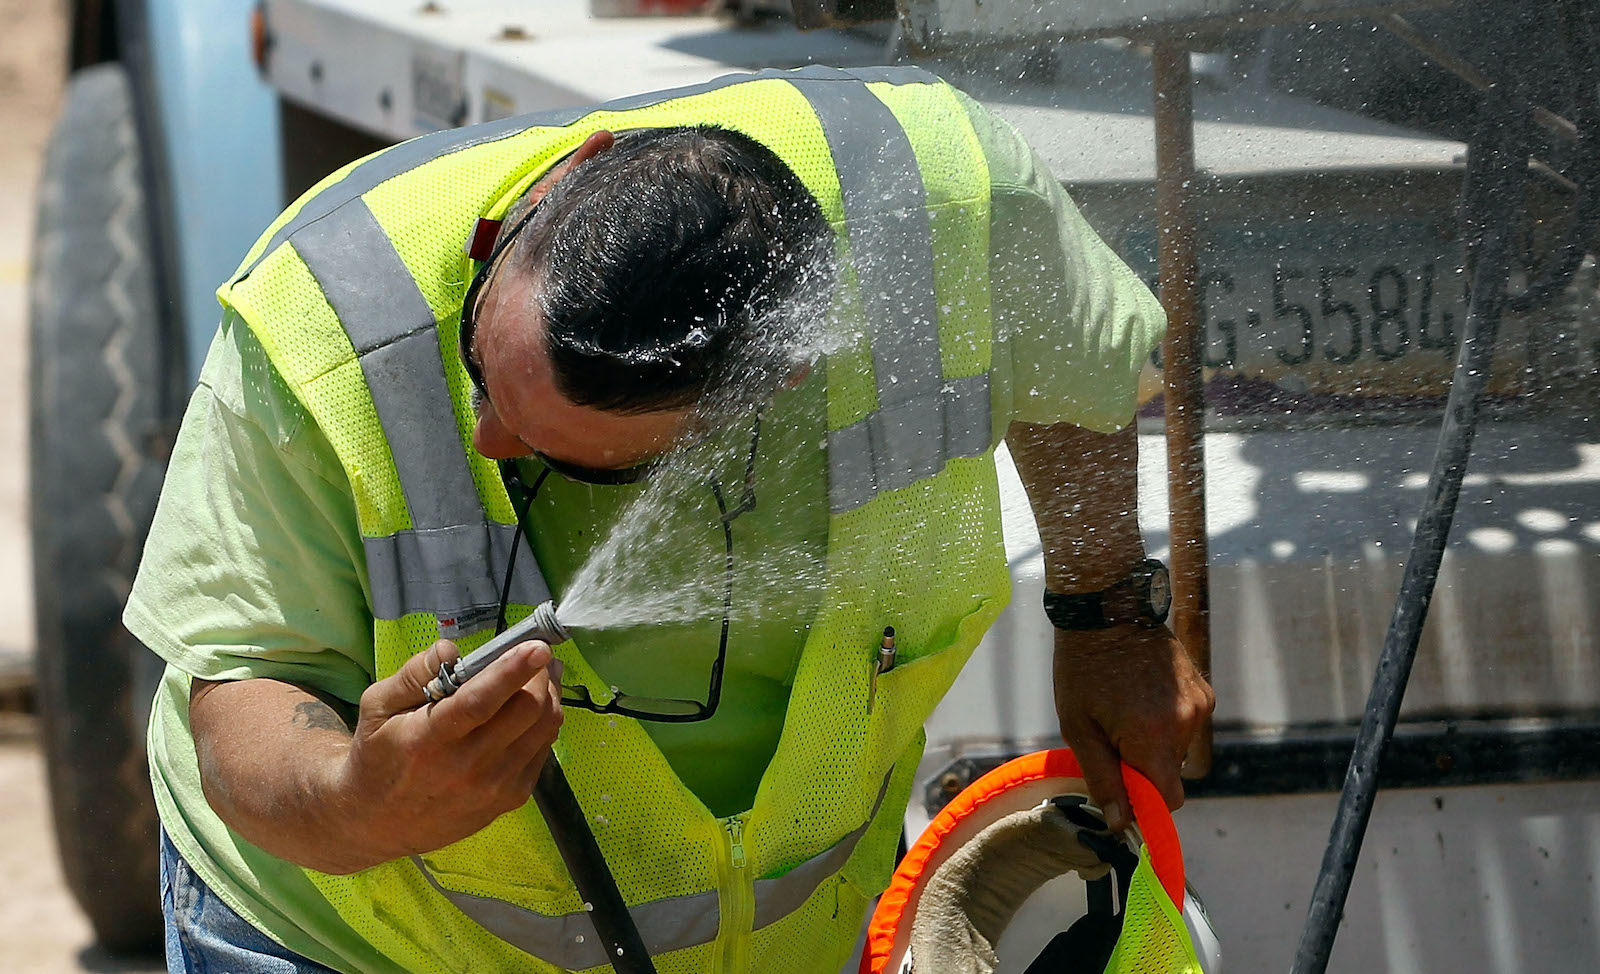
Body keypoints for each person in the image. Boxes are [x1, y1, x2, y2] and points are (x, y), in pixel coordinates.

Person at [129, 65, 1214, 973]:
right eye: (481, 366)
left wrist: (1109, 617)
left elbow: (1073, 369)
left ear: (771, 390)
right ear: (565, 186)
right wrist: (366, 796)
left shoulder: (947, 199)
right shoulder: (325, 313)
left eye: (562, 454)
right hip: (357, 943)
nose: (486, 439)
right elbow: (238, 696)